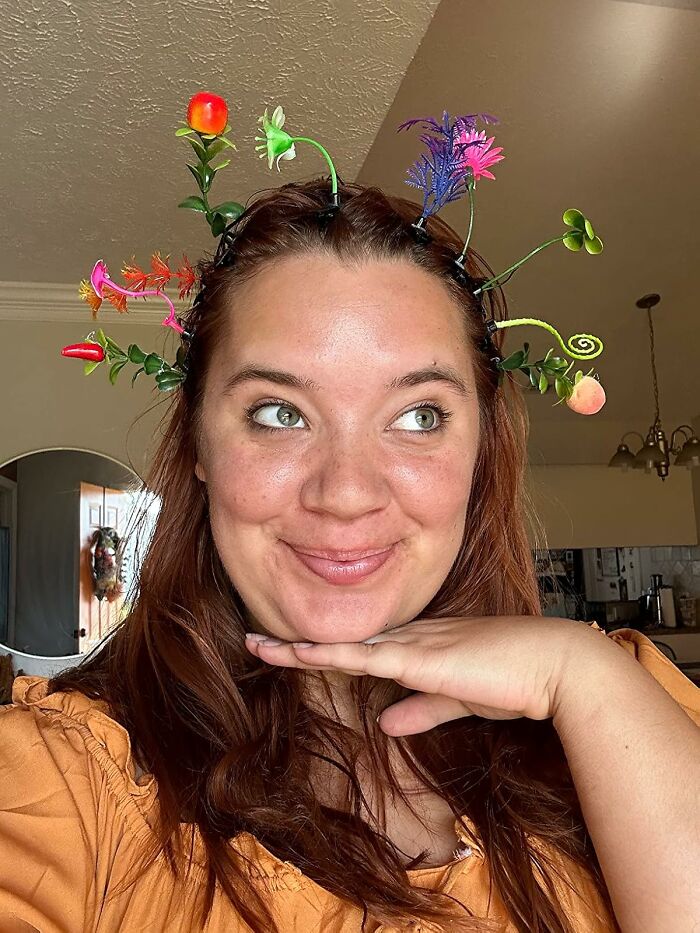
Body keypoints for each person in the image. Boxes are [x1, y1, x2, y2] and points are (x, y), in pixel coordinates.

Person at [1, 98, 698, 933]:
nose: (345, 492)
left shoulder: (626, 705)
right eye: (278, 412)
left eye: (418, 416)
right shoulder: (59, 788)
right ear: (197, 443)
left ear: (482, 452)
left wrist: (580, 677)